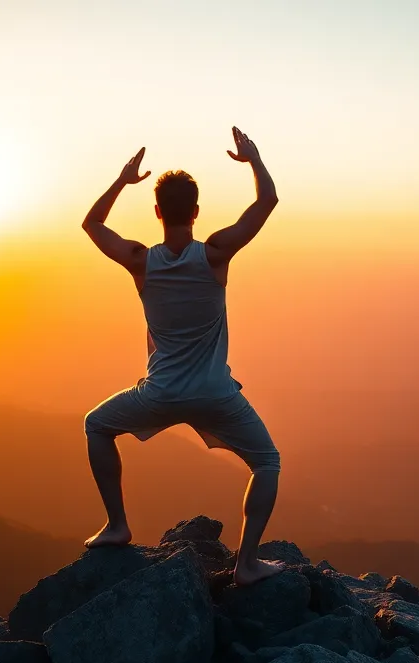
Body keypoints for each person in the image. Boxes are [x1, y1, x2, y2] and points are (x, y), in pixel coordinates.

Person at [79, 127, 284, 586]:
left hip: (161, 393)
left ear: (157, 212)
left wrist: (121, 181)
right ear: (195, 212)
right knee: (266, 463)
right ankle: (247, 564)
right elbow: (266, 202)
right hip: (216, 394)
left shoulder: (139, 260)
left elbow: (92, 225)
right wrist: (253, 159)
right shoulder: (214, 255)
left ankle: (117, 525)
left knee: (97, 426)